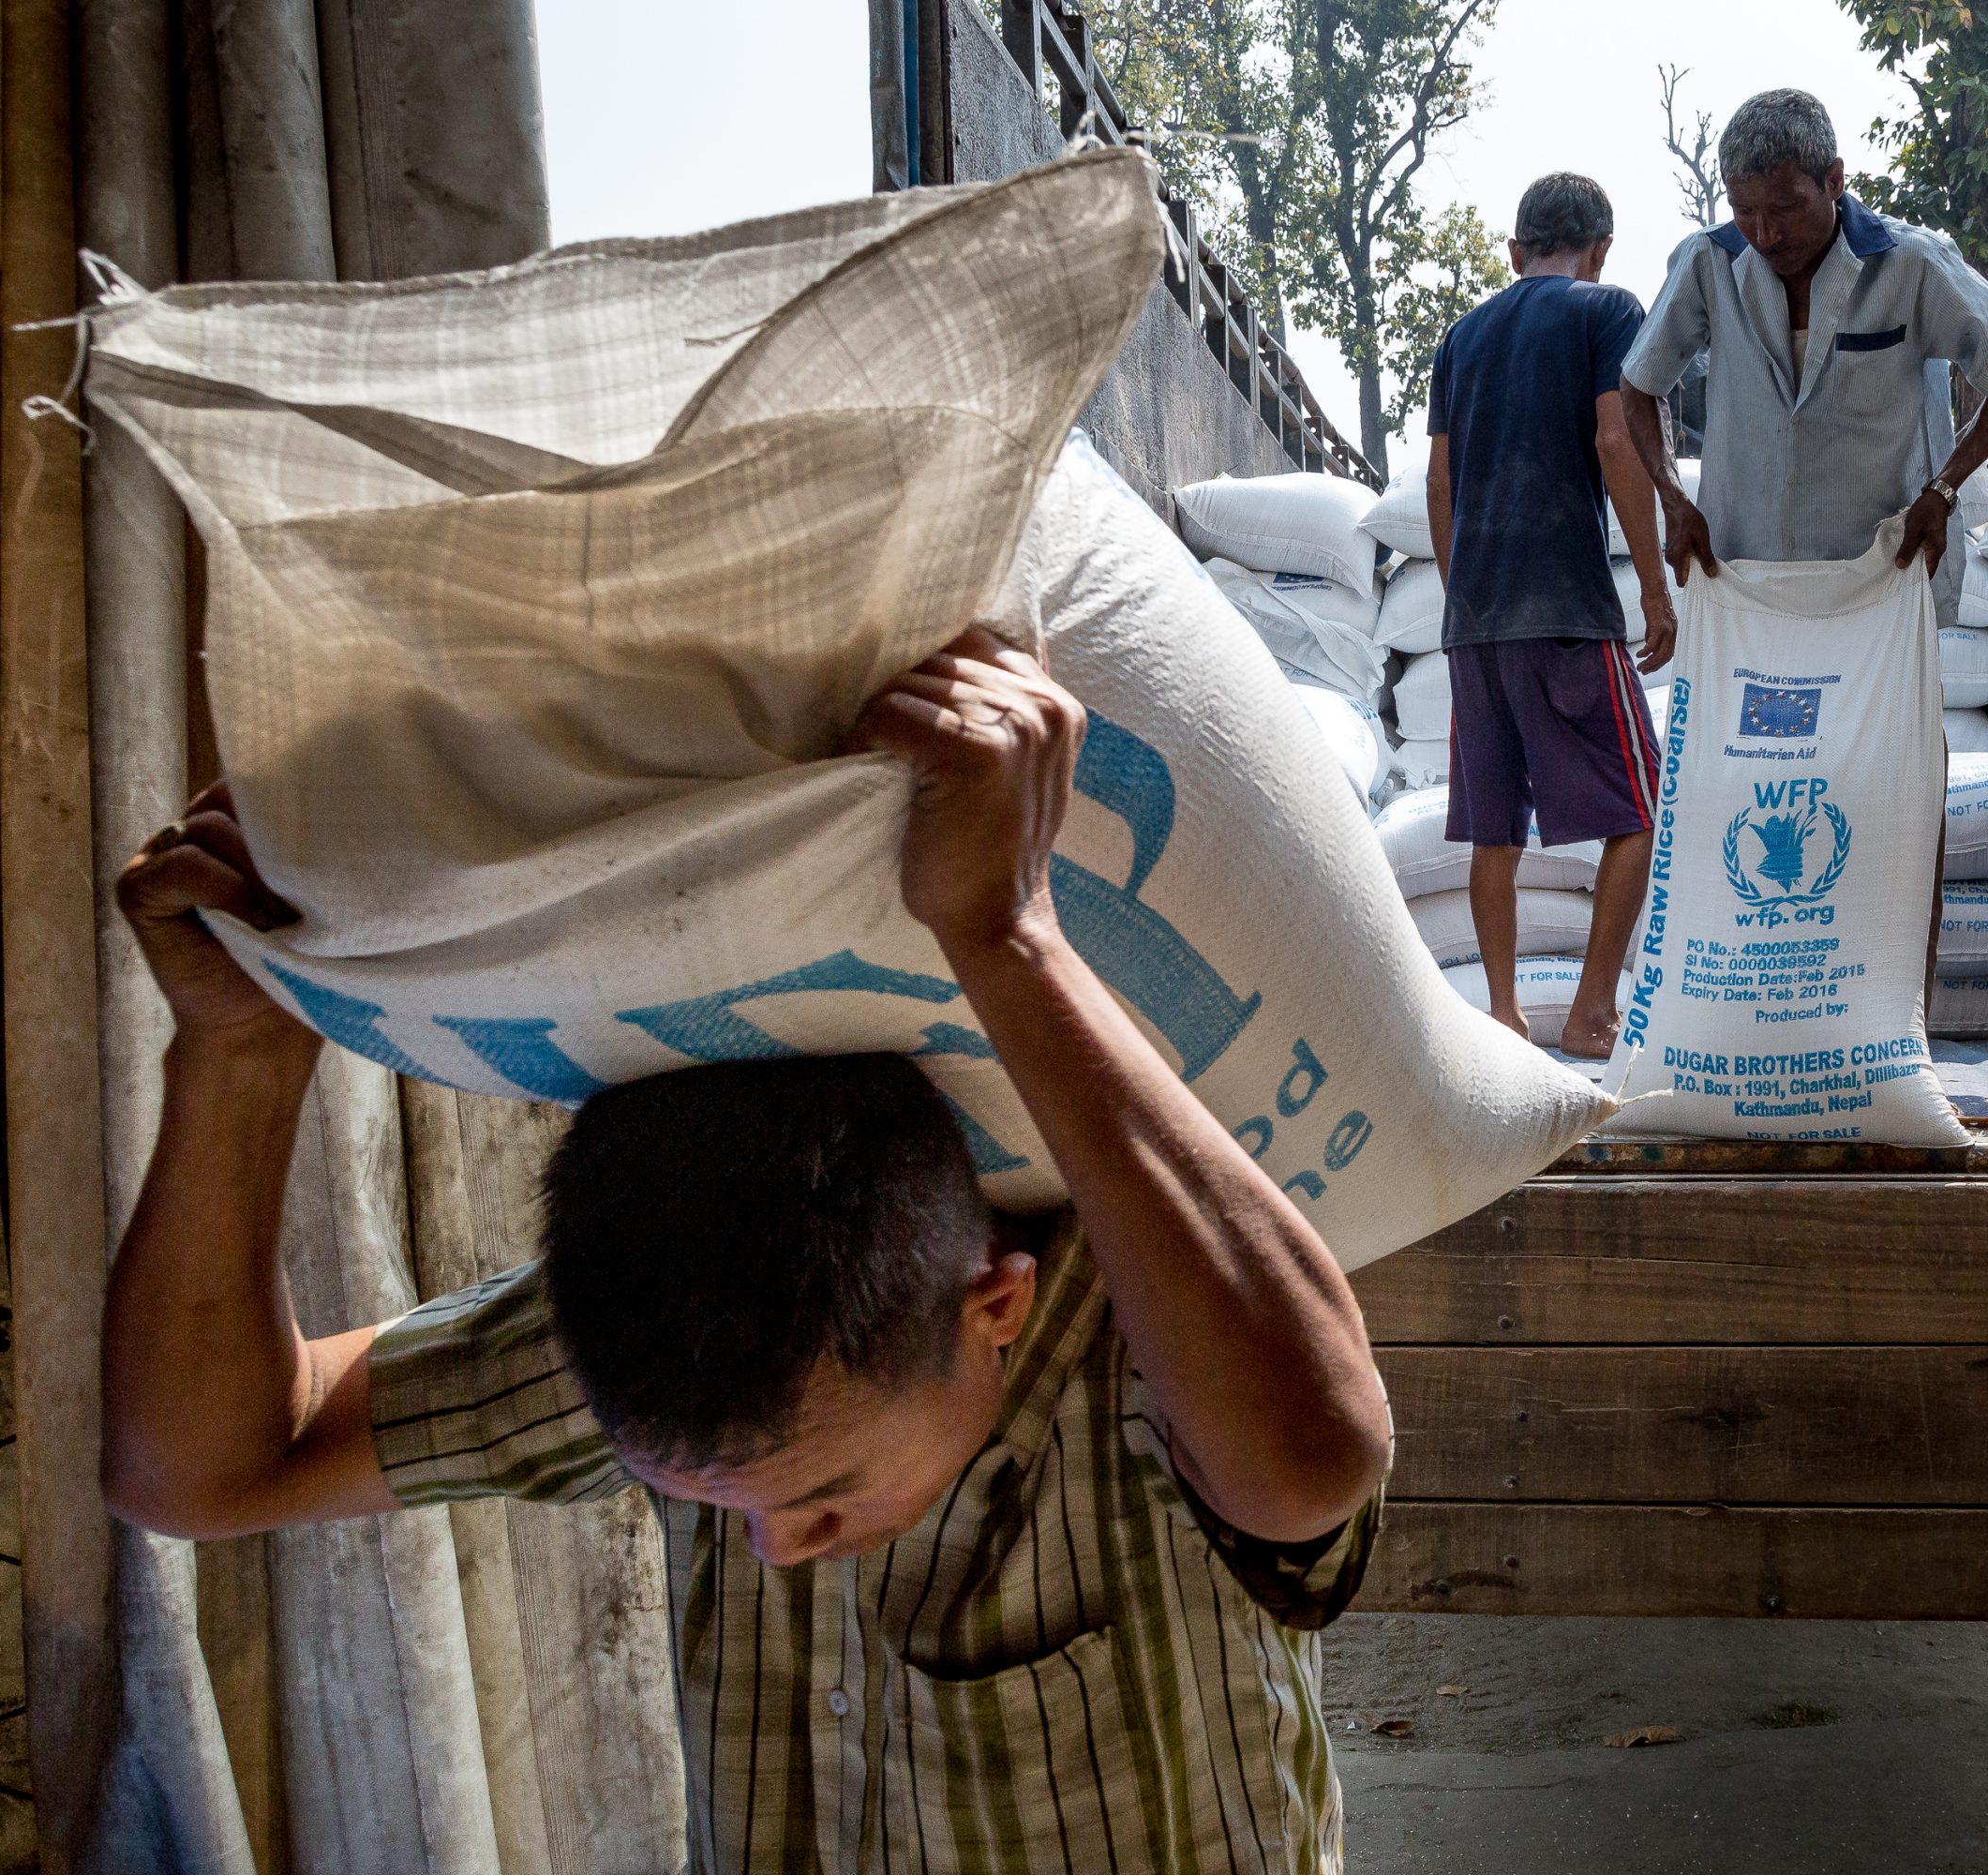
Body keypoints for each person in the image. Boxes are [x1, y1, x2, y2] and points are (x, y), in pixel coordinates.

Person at [99, 629, 1395, 1873]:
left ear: (992, 1305)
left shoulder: (1145, 1336)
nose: (776, 1549)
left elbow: (1314, 1459)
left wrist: (1004, 931)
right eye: (723, 1507)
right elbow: (200, 1474)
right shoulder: (705, 1332)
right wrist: (235, 1057)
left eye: (822, 1493)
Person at [1618, 88, 1988, 622]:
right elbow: (1639, 382)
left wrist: (1943, 489)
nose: (1764, 233)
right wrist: (1672, 496)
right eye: (1744, 210)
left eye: (1785, 209)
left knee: (1883, 711)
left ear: (1834, 181)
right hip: (1746, 579)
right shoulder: (1707, 262)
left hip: (1880, 576)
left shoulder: (1911, 262)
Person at [1425, 171, 1673, 1058]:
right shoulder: (1606, 312)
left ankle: (1502, 1014)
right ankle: (1590, 1010)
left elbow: (1441, 482)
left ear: (1513, 249)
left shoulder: (1459, 337)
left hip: (1475, 626)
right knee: (1638, 808)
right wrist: (1652, 585)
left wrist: (1466, 603)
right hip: (1568, 610)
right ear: (1600, 250)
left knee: (1495, 830)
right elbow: (1617, 440)